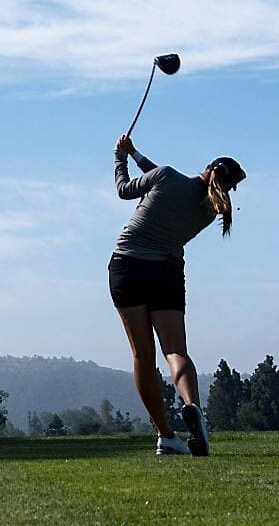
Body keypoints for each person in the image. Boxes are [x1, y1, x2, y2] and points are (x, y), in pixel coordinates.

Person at [109, 133, 246, 456]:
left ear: (208, 166)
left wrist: (120, 157)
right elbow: (170, 184)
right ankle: (191, 405)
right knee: (175, 351)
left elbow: (125, 190)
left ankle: (167, 436)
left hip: (127, 266)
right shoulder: (209, 211)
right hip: (166, 272)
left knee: (143, 356)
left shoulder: (166, 177)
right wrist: (137, 153)